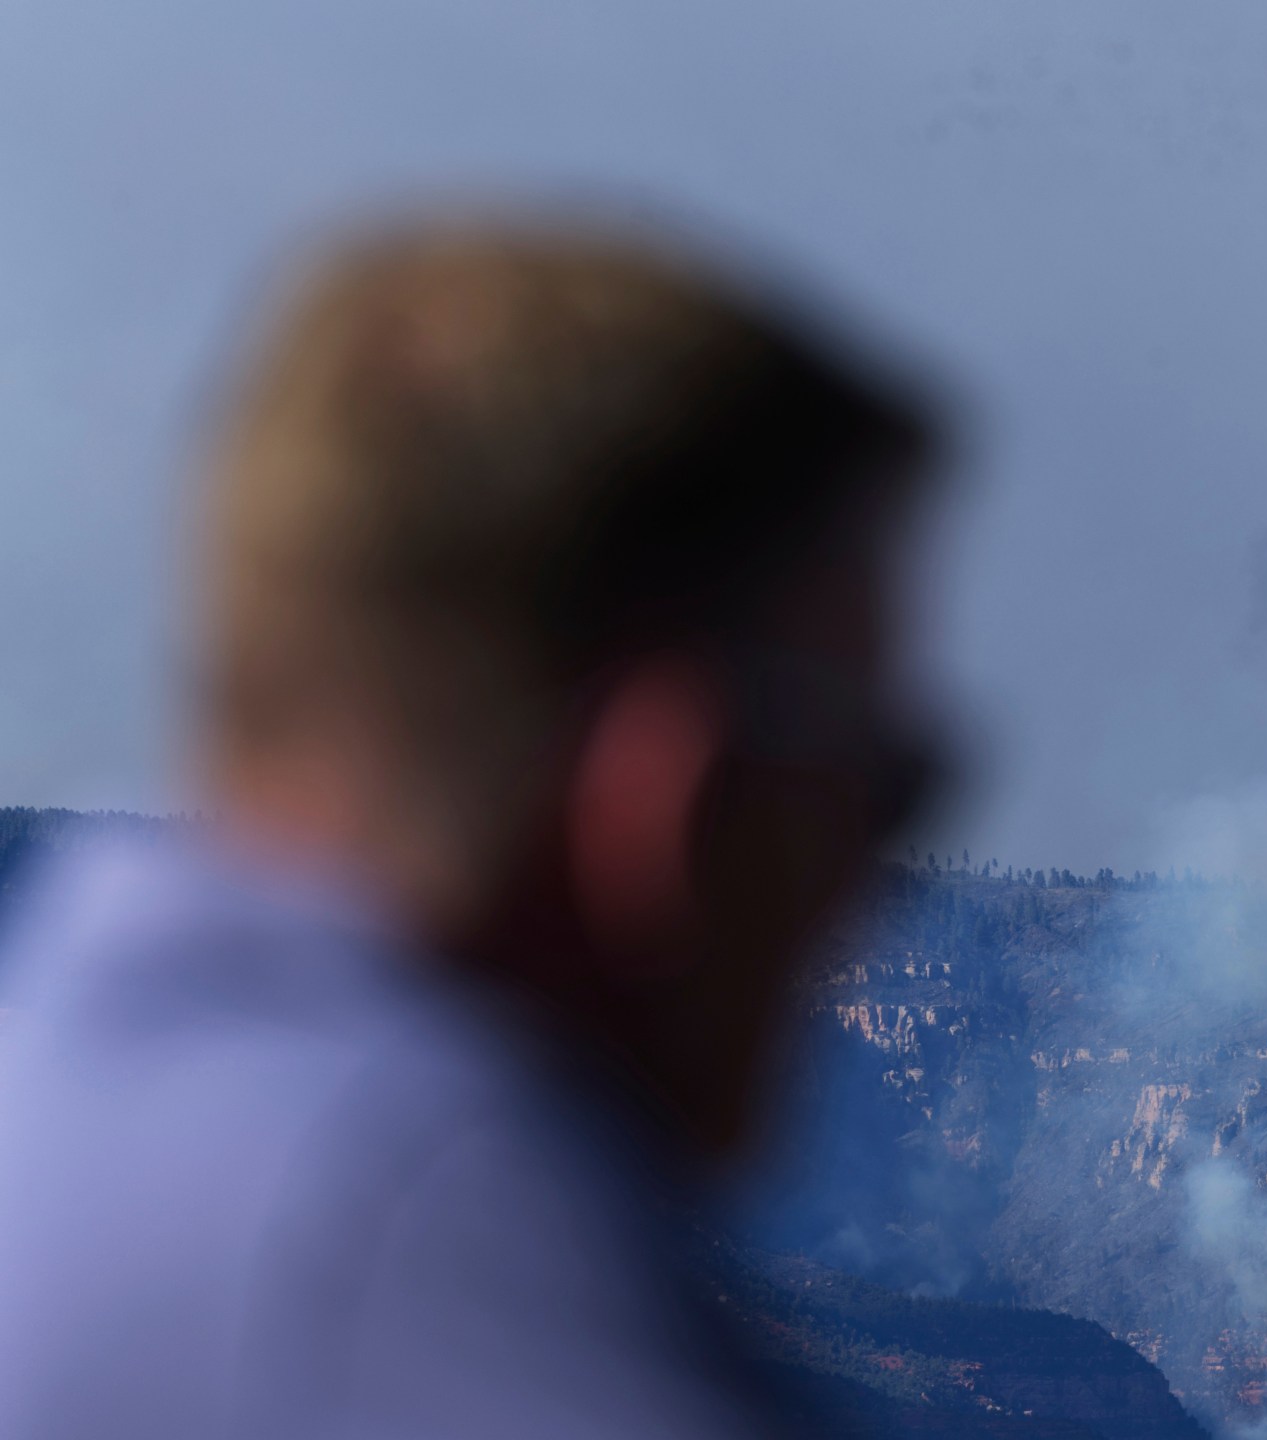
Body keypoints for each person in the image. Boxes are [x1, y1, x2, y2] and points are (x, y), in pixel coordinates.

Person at [0, 215, 946, 1436]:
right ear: (672, 789)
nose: (880, 885)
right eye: (882, 782)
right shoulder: (409, 1193)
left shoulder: (74, 1073)